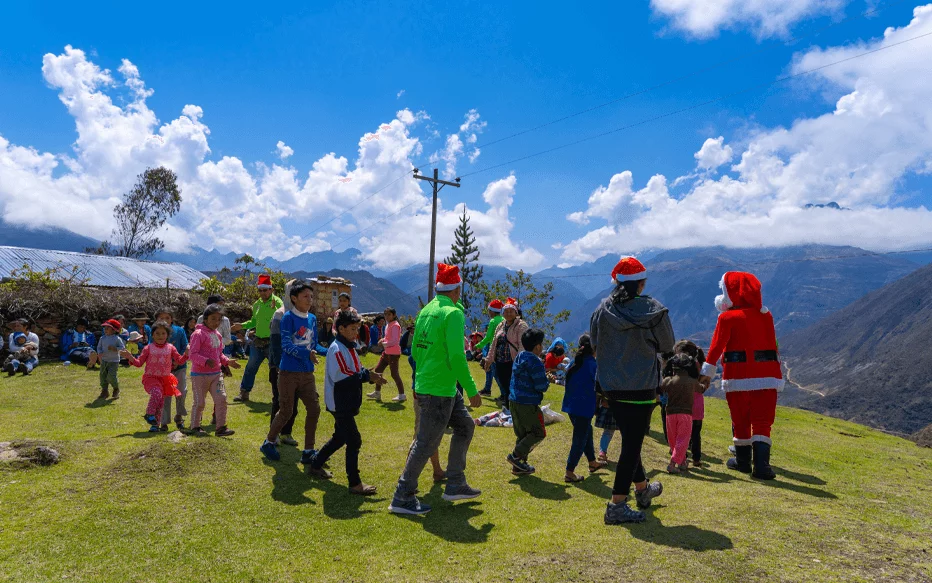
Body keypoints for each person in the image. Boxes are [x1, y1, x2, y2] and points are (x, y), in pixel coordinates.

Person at [389, 263, 483, 516]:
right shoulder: (453, 314)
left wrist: (421, 379)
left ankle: (455, 483)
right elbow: (457, 355)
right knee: (426, 443)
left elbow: (416, 350)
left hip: (435, 385)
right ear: (457, 289)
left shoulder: (427, 310)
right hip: (440, 389)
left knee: (465, 426)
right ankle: (402, 496)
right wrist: (473, 389)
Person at [591, 257, 674, 525]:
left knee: (630, 438)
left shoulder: (602, 310)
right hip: (641, 387)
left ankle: (641, 489)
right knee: (632, 443)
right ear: (641, 283)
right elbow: (667, 344)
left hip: (611, 386)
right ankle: (616, 505)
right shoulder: (654, 310)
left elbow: (594, 343)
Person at [700, 271, 783, 480]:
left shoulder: (727, 317)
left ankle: (743, 462)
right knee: (763, 421)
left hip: (737, 376)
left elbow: (716, 347)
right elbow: (773, 344)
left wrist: (706, 373)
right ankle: (762, 466)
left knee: (741, 419)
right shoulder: (766, 315)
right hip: (767, 376)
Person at [308, 309, 385, 494]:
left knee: (340, 437)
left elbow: (356, 369)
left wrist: (368, 373)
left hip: (346, 401)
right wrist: (368, 377)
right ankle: (354, 483)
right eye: (352, 329)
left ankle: (316, 463)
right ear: (341, 328)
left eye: (357, 328)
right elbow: (343, 376)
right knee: (354, 440)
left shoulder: (349, 346)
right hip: (339, 402)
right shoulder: (336, 349)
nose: (355, 333)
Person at [260, 281, 326, 464]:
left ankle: (308, 450)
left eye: (311, 297)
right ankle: (269, 441)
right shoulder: (287, 318)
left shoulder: (312, 319)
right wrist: (308, 354)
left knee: (314, 409)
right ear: (294, 298)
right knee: (286, 410)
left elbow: (314, 345)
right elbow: (286, 345)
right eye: (306, 296)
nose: (310, 300)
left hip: (307, 374)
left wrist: (333, 350)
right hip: (288, 372)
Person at [122, 320, 188, 433]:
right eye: (157, 333)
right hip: (151, 378)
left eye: (163, 333)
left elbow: (180, 361)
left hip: (165, 379)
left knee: (160, 404)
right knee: (156, 393)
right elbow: (138, 363)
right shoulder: (148, 348)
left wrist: (186, 353)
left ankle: (155, 426)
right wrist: (130, 357)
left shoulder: (171, 348)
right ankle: (149, 414)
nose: (160, 336)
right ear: (152, 335)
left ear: (167, 335)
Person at [188, 304, 239, 437]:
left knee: (221, 399)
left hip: (216, 374)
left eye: (219, 319)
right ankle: (195, 426)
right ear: (205, 319)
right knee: (199, 402)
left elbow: (219, 354)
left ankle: (220, 428)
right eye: (213, 319)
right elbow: (192, 354)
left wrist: (228, 362)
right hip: (199, 375)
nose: (216, 322)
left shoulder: (217, 335)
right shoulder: (198, 334)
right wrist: (205, 361)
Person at [561, 333, 607, 482]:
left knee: (587, 431)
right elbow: (601, 386)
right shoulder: (593, 365)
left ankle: (592, 463)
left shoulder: (575, 362)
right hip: (583, 407)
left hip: (571, 406)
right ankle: (569, 472)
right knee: (579, 439)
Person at [232, 275, 284, 403]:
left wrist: (276, 309)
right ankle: (244, 393)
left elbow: (283, 318)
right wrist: (242, 326)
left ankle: (281, 396)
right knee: (250, 367)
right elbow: (254, 322)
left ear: (271, 290)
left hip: (273, 342)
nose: (262, 293)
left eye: (265, 290)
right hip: (258, 341)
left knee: (277, 370)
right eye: (260, 290)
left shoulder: (277, 302)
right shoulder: (257, 304)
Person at [506, 328, 550, 476]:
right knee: (538, 433)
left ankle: (519, 466)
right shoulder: (535, 362)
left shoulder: (520, 357)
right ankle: (515, 456)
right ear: (537, 346)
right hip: (528, 403)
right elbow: (541, 386)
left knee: (523, 434)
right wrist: (547, 380)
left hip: (514, 401)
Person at [269, 280, 300, 447]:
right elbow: (275, 344)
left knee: (293, 403)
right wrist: (279, 366)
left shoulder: (303, 316)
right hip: (280, 367)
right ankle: (272, 436)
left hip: (297, 368)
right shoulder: (280, 315)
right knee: (280, 401)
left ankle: (286, 433)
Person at [660, 354, 703, 474]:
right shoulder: (692, 382)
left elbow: (660, 389)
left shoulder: (668, 380)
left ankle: (682, 462)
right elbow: (701, 389)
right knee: (683, 439)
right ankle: (673, 463)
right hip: (686, 414)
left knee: (673, 440)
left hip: (670, 413)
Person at [484, 298, 528, 408]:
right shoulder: (501, 325)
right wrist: (489, 359)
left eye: (511, 311)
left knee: (513, 386)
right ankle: (509, 407)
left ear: (516, 312)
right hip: (500, 361)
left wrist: (519, 362)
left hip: (513, 362)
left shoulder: (521, 326)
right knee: (504, 385)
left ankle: (513, 408)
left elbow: (522, 345)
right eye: (506, 311)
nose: (508, 314)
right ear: (503, 313)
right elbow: (494, 343)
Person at [154, 308, 190, 432]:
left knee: (181, 391)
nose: (164, 321)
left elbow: (185, 346)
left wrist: (176, 362)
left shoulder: (179, 331)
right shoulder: (155, 332)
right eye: (161, 318)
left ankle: (179, 416)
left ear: (172, 319)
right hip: (162, 370)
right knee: (165, 394)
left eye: (167, 318)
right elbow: (152, 348)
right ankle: (164, 422)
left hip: (179, 367)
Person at [368, 307, 406, 402]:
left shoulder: (396, 326)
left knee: (394, 374)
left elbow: (395, 341)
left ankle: (402, 394)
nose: (387, 316)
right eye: (385, 314)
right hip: (386, 353)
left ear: (394, 315)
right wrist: (383, 339)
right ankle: (377, 392)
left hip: (393, 354)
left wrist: (383, 343)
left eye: (389, 314)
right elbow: (388, 338)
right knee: (378, 370)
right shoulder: (389, 325)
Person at [475, 300, 504, 397]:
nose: (488, 312)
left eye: (489, 310)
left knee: (495, 373)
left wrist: (478, 345)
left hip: (493, 350)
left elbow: (488, 337)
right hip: (501, 349)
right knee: (490, 370)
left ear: (492, 311)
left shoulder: (493, 321)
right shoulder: (503, 319)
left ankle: (504, 394)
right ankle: (487, 389)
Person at [96, 319, 125, 399]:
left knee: (111, 376)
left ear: (114, 330)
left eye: (108, 328)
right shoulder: (102, 338)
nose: (105, 330)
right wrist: (100, 353)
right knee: (103, 376)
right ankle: (104, 391)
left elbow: (122, 348)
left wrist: (115, 349)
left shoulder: (117, 339)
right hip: (104, 360)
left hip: (114, 361)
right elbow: (99, 347)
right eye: (105, 328)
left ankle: (116, 388)